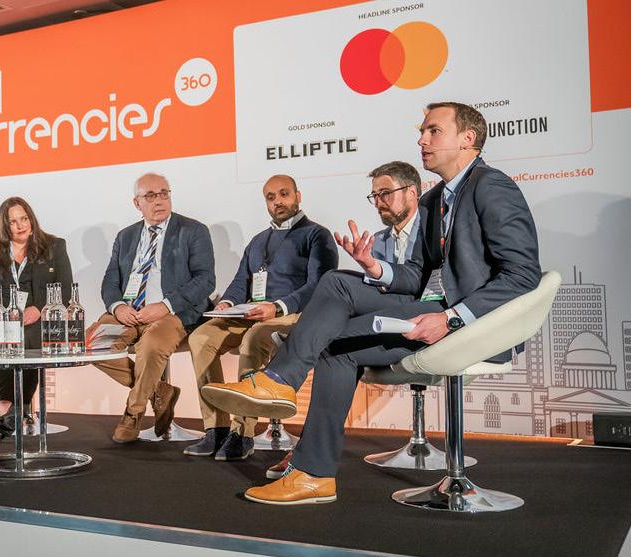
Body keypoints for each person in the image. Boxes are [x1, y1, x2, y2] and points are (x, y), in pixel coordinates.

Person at [202, 102, 541, 505]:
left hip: (469, 322)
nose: (422, 139)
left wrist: (451, 319)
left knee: (335, 346)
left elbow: (522, 275)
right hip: (427, 304)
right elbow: (416, 275)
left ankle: (310, 467)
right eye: (422, 131)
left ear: (468, 139)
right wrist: (376, 268)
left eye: (433, 131)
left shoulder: (491, 186)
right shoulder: (435, 199)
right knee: (337, 282)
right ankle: (281, 390)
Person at [264, 161, 423, 479]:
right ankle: (311, 464)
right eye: (374, 196)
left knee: (336, 284)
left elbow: (422, 288)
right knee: (334, 346)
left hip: (422, 321)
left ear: (412, 192)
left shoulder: (431, 232)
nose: (379, 202)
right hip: (382, 324)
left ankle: (291, 360)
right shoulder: (378, 240)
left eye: (386, 193)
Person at [185, 174, 337, 461]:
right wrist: (227, 302)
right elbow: (241, 281)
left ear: (298, 196)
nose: (277, 201)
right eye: (270, 197)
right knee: (201, 337)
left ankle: (242, 432)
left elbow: (320, 285)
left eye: (284, 194)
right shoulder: (258, 240)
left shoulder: (317, 235)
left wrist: (277, 307)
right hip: (251, 313)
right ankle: (216, 427)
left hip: (292, 315)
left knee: (254, 338)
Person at [92, 172, 215, 443]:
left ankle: (133, 413)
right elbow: (110, 281)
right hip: (129, 312)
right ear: (137, 203)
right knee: (92, 344)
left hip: (173, 313)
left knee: (150, 346)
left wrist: (166, 305)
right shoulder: (126, 236)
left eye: (164, 193)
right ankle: (159, 392)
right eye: (150, 195)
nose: (159, 200)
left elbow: (205, 280)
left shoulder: (193, 230)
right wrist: (118, 307)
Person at [0, 196, 73, 437]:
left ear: (31, 219)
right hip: (4, 317)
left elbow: (65, 288)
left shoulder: (54, 246)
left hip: (39, 317)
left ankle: (20, 407)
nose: (21, 226)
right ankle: (6, 407)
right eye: (13, 222)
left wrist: (39, 308)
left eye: (24, 219)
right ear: (4, 226)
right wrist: (3, 317)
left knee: (29, 335)